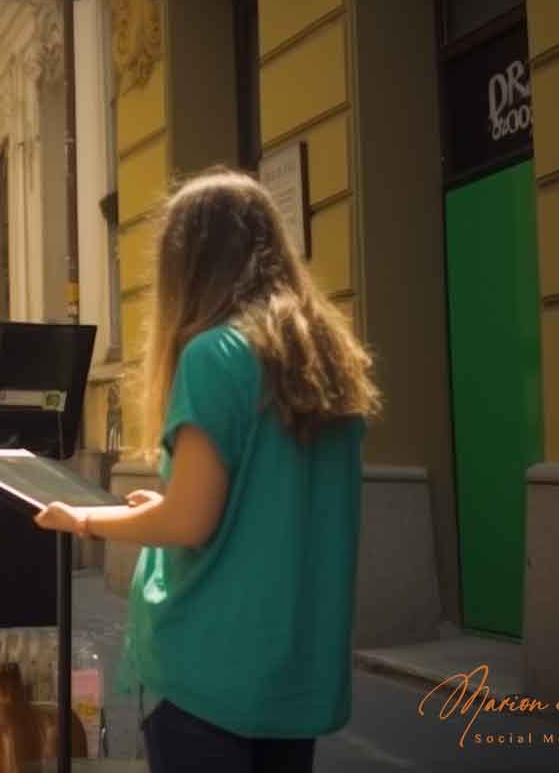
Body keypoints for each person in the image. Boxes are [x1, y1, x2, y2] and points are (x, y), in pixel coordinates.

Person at [34, 169, 382, 773]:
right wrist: (156, 509)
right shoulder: (327, 355)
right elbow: (256, 503)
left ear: (187, 264)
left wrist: (86, 518)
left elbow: (192, 520)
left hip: (209, 674)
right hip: (296, 676)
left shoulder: (214, 355)